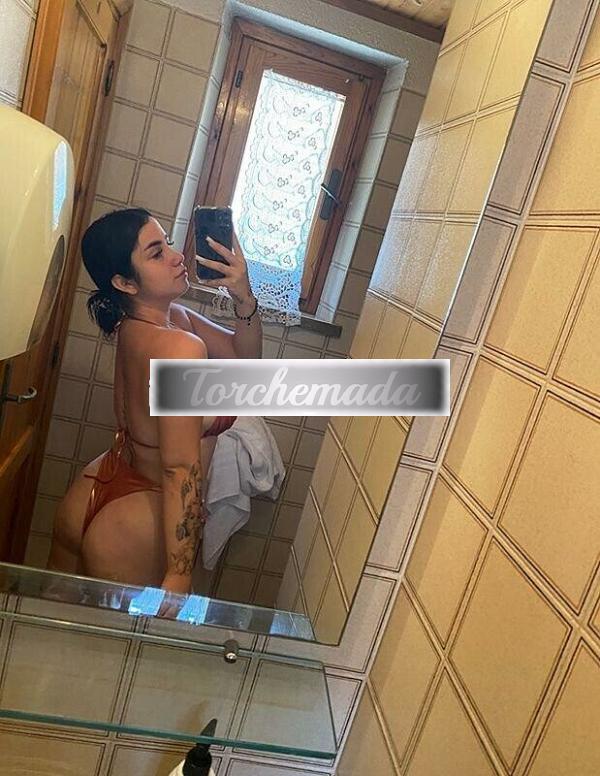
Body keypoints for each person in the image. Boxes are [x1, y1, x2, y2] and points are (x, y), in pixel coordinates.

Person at [46, 207, 262, 595]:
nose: (177, 257)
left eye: (169, 244)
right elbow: (179, 468)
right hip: (139, 517)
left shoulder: (148, 324)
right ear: (125, 283)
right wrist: (180, 573)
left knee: (50, 622)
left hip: (94, 489)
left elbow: (244, 360)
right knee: (125, 638)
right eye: (157, 253)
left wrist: (243, 297)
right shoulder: (180, 348)